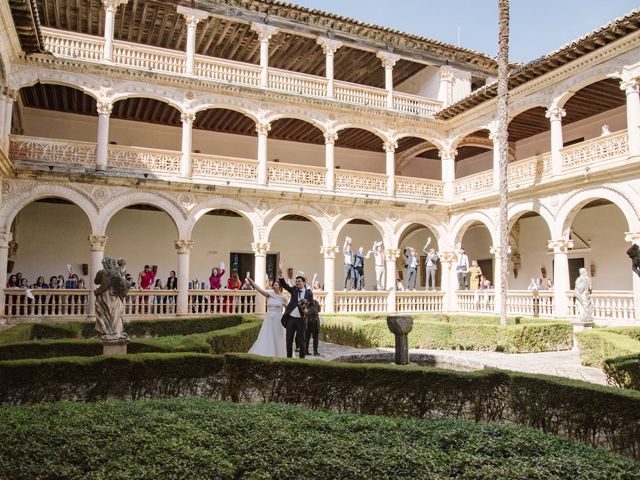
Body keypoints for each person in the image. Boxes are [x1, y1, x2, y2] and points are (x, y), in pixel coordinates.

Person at [248, 276, 288, 357]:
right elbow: (260, 290)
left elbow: (288, 310)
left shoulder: (284, 298)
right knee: (267, 335)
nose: (274, 286)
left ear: (280, 287)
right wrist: (252, 283)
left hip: (278, 319)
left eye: (276, 285)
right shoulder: (270, 294)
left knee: (277, 336)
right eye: (274, 285)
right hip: (269, 318)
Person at [278, 268, 313, 359]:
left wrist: (307, 310)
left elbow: (312, 306)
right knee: (288, 340)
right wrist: (281, 276)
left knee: (302, 341)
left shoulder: (309, 293)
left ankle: (302, 360)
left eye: (299, 281)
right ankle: (289, 359)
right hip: (291, 319)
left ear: (304, 282)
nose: (297, 283)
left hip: (301, 320)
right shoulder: (294, 289)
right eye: (296, 281)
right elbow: (285, 285)